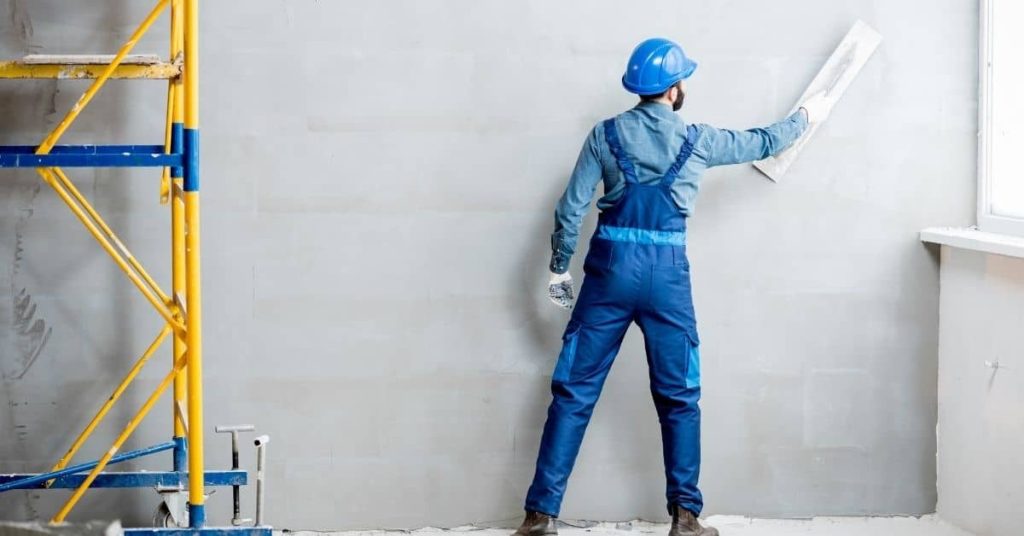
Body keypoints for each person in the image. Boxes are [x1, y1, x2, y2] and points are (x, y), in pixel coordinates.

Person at [517, 38, 831, 536]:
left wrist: (559, 268)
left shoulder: (605, 135)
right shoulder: (699, 140)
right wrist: (805, 118)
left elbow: (570, 208)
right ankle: (685, 518)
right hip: (666, 275)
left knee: (574, 390)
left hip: (608, 272)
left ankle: (540, 517)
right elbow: (764, 140)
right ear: (674, 87)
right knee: (680, 395)